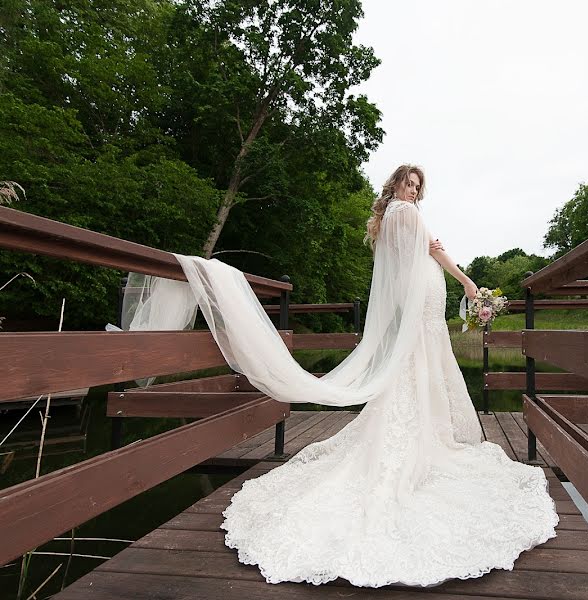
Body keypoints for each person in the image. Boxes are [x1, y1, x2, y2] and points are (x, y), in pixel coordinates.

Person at [153, 165, 558, 587]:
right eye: (409, 184)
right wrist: (469, 283)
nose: (414, 192)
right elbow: (434, 253)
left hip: (416, 295)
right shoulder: (408, 214)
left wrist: (433, 252)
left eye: (419, 187)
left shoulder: (386, 222)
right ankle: (427, 433)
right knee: (424, 360)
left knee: (420, 361)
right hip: (426, 293)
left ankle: (424, 427)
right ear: (397, 184)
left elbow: (411, 258)